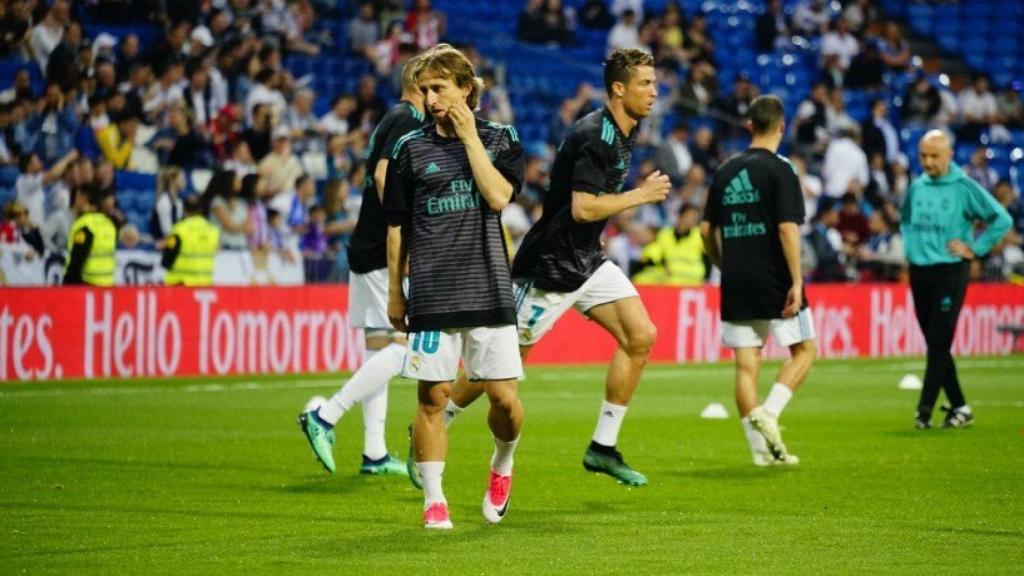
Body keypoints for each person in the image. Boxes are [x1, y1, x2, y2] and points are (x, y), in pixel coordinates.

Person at [443, 48, 669, 487]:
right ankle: (435, 422)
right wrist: (640, 196)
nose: (654, 91)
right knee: (497, 369)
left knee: (640, 336)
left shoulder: (627, 129)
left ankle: (602, 447)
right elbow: (583, 208)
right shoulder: (595, 135)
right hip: (548, 268)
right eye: (645, 83)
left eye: (654, 83)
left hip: (586, 260)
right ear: (618, 89)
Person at [384, 44, 525, 529]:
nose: (429, 98)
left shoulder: (501, 138)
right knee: (432, 397)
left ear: (466, 89)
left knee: (504, 400)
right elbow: (398, 226)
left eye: (439, 88)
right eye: (424, 90)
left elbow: (499, 196)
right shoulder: (409, 148)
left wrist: (469, 139)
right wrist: (395, 290)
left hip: (488, 287)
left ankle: (502, 463)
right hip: (432, 290)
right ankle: (434, 500)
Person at [299, 56, 426, 477]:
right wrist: (406, 220)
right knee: (405, 348)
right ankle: (326, 415)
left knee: (378, 349)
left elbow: (372, 174)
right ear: (421, 85)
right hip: (379, 247)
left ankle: (373, 453)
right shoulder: (407, 118)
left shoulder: (391, 118)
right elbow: (385, 175)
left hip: (366, 241)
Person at [700, 95, 817, 466]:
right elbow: (787, 228)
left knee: (746, 366)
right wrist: (797, 280)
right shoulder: (782, 169)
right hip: (775, 278)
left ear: (749, 126)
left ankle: (762, 452)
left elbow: (706, 230)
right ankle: (770, 412)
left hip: (735, 278)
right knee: (804, 350)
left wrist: (724, 262)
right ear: (782, 127)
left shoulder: (725, 170)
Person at [901, 130, 1012, 429]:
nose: (928, 162)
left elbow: (1001, 219)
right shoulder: (916, 187)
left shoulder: (964, 187)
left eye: (934, 156)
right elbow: (906, 219)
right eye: (923, 155)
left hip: (950, 271)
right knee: (935, 342)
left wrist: (975, 249)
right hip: (920, 271)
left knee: (938, 341)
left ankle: (923, 411)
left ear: (949, 155)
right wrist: (910, 248)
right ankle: (960, 407)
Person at [633, 204, 706, 286]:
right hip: (670, 280)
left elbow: (708, 259)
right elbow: (654, 254)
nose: (691, 221)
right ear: (680, 215)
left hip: (693, 282)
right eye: (689, 217)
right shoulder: (665, 234)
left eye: (694, 219)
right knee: (640, 279)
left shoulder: (698, 236)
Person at [64, 185, 117, 286]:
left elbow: (77, 261)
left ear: (84, 198)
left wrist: (67, 285)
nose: (75, 201)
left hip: (88, 284)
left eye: (77, 196)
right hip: (108, 285)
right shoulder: (109, 224)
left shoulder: (85, 225)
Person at [162, 196, 219, 286]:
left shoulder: (178, 230)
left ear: (184, 210)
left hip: (181, 286)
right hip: (204, 286)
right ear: (201, 209)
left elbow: (166, 261)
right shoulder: (213, 230)